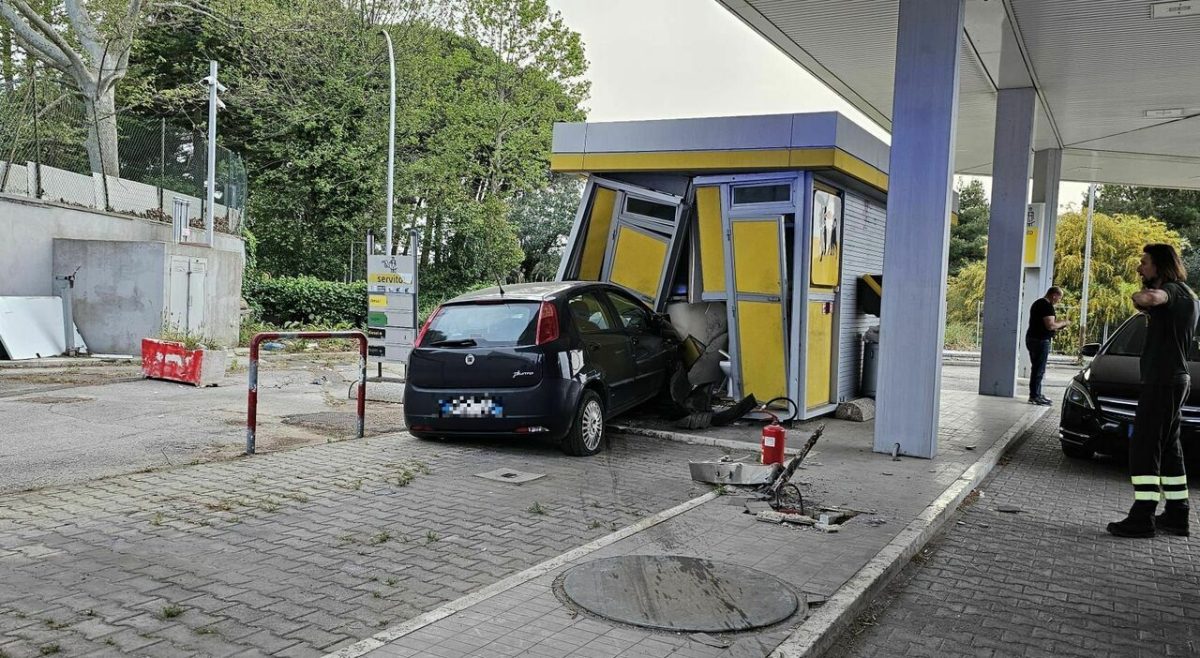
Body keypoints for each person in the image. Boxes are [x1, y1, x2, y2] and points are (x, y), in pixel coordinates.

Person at [1108, 243, 1198, 538]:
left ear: (1160, 266)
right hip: (1172, 380)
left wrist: (1142, 296)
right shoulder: (1186, 295)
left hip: (1163, 382)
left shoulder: (1173, 291)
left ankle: (1142, 516)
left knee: (1145, 446)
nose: (1139, 268)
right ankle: (1177, 513)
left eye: (1144, 263)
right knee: (1170, 448)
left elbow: (1151, 296)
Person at [1026, 286, 1069, 406]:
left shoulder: (1038, 303)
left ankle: (1037, 394)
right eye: (1059, 298)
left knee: (1037, 368)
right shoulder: (1046, 306)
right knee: (1039, 369)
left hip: (1033, 338)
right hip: (1040, 340)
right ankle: (1035, 396)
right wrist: (1063, 323)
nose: (1058, 301)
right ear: (1054, 295)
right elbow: (1050, 325)